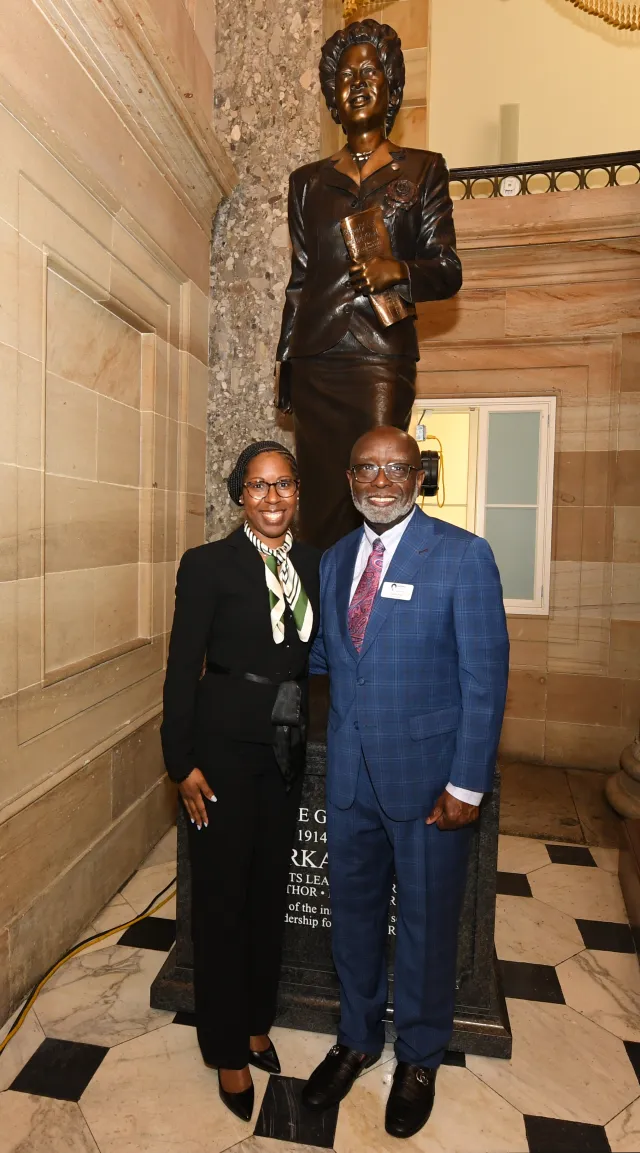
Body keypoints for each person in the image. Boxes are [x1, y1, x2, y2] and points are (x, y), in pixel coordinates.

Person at [303, 426, 509, 1139]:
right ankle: (357, 1037)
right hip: (351, 781)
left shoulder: (461, 555)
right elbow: (330, 657)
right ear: (350, 476)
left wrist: (468, 784)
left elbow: (485, 681)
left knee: (424, 925)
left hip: (429, 787)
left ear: (419, 476)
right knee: (353, 917)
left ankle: (419, 1056)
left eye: (396, 467)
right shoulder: (334, 560)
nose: (381, 479)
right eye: (367, 467)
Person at [160, 441, 320, 1123]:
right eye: (258, 486)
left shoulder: (313, 564)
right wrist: (180, 761)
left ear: (297, 492)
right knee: (223, 900)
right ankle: (226, 1044)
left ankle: (257, 1019)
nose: (273, 497)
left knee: (265, 892)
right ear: (239, 495)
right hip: (221, 751)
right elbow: (179, 668)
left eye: (283, 484)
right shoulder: (207, 566)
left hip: (284, 745)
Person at [275, 19, 462, 549]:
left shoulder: (424, 170)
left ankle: (375, 604)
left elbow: (448, 270)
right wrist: (285, 363)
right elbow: (301, 278)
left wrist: (398, 272)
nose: (357, 82)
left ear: (391, 87)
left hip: (381, 354)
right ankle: (323, 613)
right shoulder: (307, 182)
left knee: (378, 479)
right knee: (321, 496)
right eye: (346, 75)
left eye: (370, 71)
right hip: (316, 359)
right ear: (333, 96)